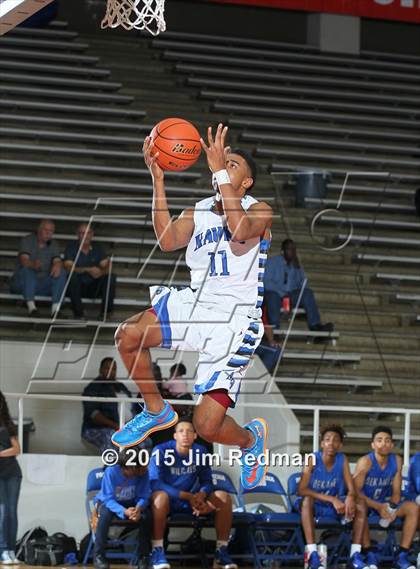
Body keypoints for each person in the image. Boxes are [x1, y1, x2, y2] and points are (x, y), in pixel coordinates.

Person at [112, 124, 273, 491]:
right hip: (196, 303)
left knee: (206, 427)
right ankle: (156, 410)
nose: (223, 165)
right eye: (222, 162)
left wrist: (218, 169)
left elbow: (239, 231)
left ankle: (250, 441)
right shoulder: (198, 211)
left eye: (233, 165)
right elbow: (166, 240)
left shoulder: (259, 210)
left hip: (233, 321)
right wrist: (158, 180)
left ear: (246, 183)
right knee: (128, 336)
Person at [149, 418, 237, 569]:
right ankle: (157, 551)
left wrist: (201, 496)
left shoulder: (200, 451)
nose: (185, 434)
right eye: (181, 431)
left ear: (195, 436)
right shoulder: (161, 450)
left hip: (192, 501)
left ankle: (221, 552)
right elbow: (155, 483)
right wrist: (187, 496)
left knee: (223, 497)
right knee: (159, 497)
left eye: (190, 431)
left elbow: (207, 481)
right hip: (170, 501)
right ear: (174, 436)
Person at [297, 424, 368, 569]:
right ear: (322, 443)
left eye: (335, 440)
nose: (331, 443)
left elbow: (351, 488)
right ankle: (312, 554)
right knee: (307, 500)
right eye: (327, 439)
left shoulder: (342, 460)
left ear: (340, 445)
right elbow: (301, 490)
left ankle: (354, 555)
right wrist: (332, 499)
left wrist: (349, 496)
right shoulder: (312, 459)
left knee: (360, 504)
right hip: (312, 505)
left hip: (331, 507)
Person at [353, 426, 419, 569]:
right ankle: (369, 553)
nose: (384, 443)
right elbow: (355, 492)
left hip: (384, 504)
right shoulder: (365, 462)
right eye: (379, 440)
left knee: (413, 508)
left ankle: (402, 555)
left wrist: (391, 508)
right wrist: (378, 507)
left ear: (392, 445)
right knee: (360, 505)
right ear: (373, 444)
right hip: (367, 504)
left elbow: (396, 492)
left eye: (387, 440)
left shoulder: (397, 461)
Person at [93, 446, 152, 569]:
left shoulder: (143, 473)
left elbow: (145, 495)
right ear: (128, 467)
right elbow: (108, 499)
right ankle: (99, 555)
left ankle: (144, 557)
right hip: (112, 504)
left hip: (132, 504)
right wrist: (124, 511)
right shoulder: (111, 472)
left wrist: (138, 508)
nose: (144, 469)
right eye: (139, 467)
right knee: (104, 515)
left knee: (147, 516)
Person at [263, 239, 333, 334]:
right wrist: (282, 294)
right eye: (289, 249)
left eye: (294, 249)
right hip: (276, 294)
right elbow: (266, 282)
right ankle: (274, 329)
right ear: (282, 251)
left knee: (307, 293)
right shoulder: (272, 262)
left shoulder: (295, 265)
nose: (292, 252)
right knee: (272, 297)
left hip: (291, 295)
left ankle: (315, 325)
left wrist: (298, 268)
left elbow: (303, 283)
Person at [10, 219, 66, 317]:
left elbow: (57, 260)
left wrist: (57, 265)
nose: (48, 233)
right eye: (46, 230)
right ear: (39, 229)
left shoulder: (54, 244)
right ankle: (32, 309)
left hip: (41, 284)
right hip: (22, 283)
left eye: (51, 231)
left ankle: (55, 310)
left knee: (61, 271)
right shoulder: (27, 240)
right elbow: (24, 260)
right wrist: (32, 264)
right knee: (28, 270)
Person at [63, 223, 116, 319]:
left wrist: (101, 272)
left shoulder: (97, 248)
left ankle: (106, 313)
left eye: (88, 233)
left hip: (93, 287)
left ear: (92, 235)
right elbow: (68, 267)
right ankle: (78, 314)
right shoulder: (71, 248)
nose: (85, 236)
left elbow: (108, 265)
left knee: (110, 277)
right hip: (77, 288)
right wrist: (88, 270)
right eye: (82, 233)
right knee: (72, 277)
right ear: (77, 234)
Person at [82, 358, 132, 454]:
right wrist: (117, 427)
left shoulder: (121, 386)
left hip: (124, 427)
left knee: (145, 440)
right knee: (112, 436)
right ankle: (111, 467)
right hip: (96, 429)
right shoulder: (93, 387)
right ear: (100, 370)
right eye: (107, 368)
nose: (111, 372)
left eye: (113, 369)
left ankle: (136, 468)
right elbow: (93, 414)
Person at [0, 391, 22, 565]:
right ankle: (3, 550)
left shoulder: (8, 424)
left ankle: (11, 550)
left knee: (11, 512)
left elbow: (17, 449)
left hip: (13, 473)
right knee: (2, 512)